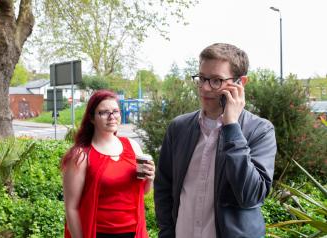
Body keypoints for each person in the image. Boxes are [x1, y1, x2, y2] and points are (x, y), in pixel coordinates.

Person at [154, 43, 277, 238]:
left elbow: (251, 196)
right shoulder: (179, 128)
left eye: (216, 80)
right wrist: (167, 232)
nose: (204, 87)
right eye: (202, 78)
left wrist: (232, 128)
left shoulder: (260, 130)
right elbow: (163, 187)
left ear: (240, 82)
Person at [61, 90, 155, 238]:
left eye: (115, 111)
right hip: (98, 233)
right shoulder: (81, 156)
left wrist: (150, 178)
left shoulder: (133, 146)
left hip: (135, 232)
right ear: (91, 118)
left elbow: (142, 192)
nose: (112, 117)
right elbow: (71, 208)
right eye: (104, 112)